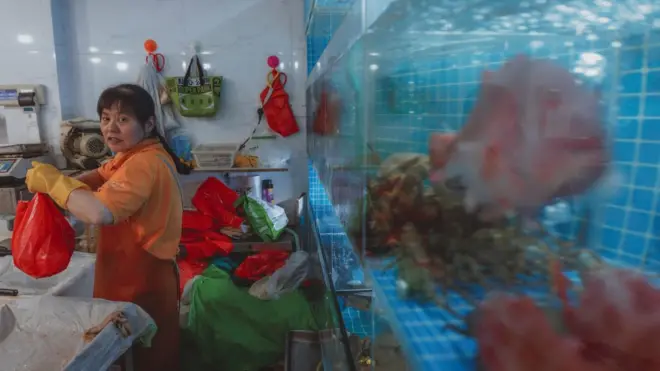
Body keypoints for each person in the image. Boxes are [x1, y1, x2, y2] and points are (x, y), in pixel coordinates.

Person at [25, 83, 190, 371]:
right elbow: (96, 178)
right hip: (130, 275)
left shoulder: (144, 163)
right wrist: (60, 187)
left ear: (148, 123)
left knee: (145, 357)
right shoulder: (129, 158)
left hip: (142, 280)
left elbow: (99, 212)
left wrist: (54, 182)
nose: (110, 128)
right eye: (105, 118)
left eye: (123, 119)